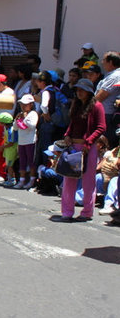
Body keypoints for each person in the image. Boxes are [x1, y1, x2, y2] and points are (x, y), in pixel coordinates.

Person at [57, 78, 106, 222]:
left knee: (88, 181)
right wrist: (67, 135)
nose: (79, 92)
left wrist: (89, 143)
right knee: (69, 180)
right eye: (77, 90)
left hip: (88, 148)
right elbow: (72, 124)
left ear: (89, 92)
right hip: (74, 147)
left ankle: (87, 212)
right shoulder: (76, 105)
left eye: (82, 90)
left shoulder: (97, 106)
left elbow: (101, 127)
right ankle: (67, 212)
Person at [13, 94, 38, 189]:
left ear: (31, 104)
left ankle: (32, 181)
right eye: (21, 104)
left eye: (25, 104)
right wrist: (17, 119)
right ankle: (22, 180)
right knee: (22, 162)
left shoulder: (33, 114)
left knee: (31, 162)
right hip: (21, 142)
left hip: (30, 141)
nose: (23, 106)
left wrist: (25, 118)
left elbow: (32, 126)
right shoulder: (21, 114)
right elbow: (15, 128)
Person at [96, 51, 120, 147]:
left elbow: (100, 96)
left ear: (110, 62)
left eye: (104, 60)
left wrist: (87, 108)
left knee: (103, 144)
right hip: (104, 113)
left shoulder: (114, 76)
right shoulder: (112, 75)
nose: (102, 62)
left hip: (106, 114)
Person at [0, 112, 18, 187]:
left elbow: (11, 143)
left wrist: (2, 147)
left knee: (10, 165)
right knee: (8, 165)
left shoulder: (11, 130)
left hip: (11, 150)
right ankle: (9, 178)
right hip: (7, 150)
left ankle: (12, 180)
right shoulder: (6, 128)